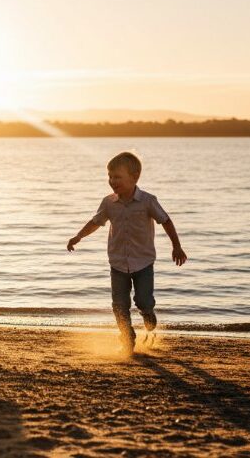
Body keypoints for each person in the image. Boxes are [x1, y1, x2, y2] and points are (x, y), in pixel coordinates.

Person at [66, 151, 187, 356]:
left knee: (143, 300)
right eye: (110, 176)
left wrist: (176, 246)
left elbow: (166, 220)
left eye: (117, 177)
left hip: (143, 262)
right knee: (119, 305)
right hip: (118, 263)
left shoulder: (148, 201)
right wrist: (78, 236)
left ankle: (148, 314)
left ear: (135, 177)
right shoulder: (108, 203)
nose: (112, 181)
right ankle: (127, 337)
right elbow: (96, 222)